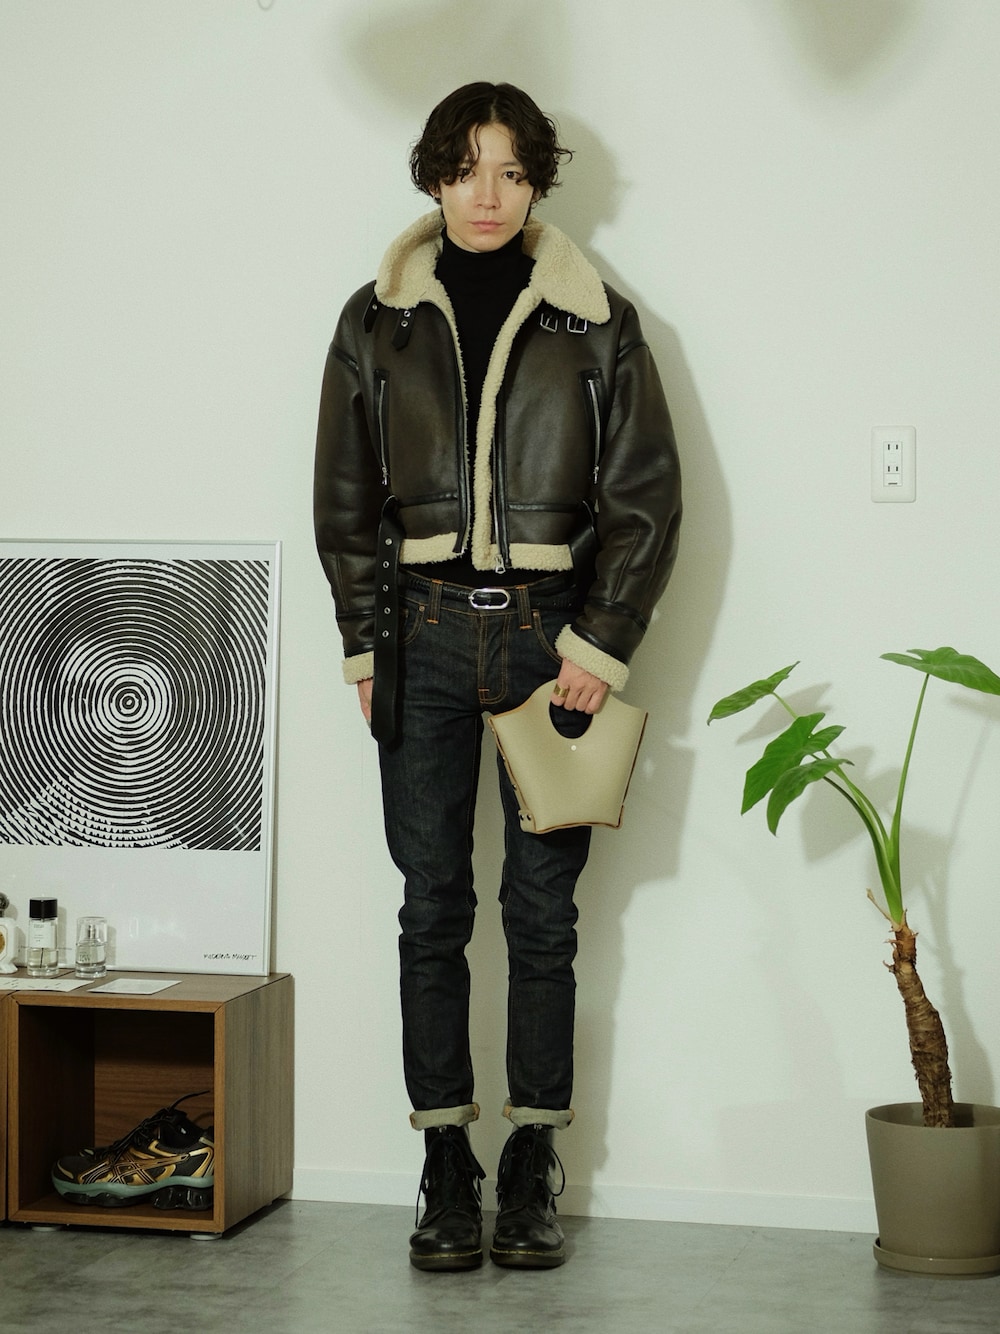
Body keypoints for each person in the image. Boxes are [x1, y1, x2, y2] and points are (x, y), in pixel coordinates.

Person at [314, 82, 681, 1271]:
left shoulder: (596, 320)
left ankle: (530, 1158)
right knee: (431, 908)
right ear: (434, 175)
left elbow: (645, 496)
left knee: (541, 915)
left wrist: (598, 642)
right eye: (466, 168)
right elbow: (344, 500)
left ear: (536, 183)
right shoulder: (376, 319)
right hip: (417, 638)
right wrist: (364, 641)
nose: (487, 194)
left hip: (546, 643)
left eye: (511, 172)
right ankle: (443, 1160)